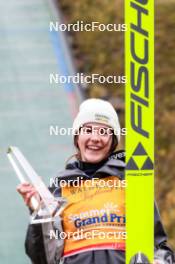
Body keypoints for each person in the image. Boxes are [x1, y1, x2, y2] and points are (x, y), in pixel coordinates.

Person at [17, 99, 174, 264]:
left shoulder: (130, 182)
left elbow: (159, 246)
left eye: (104, 132)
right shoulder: (58, 190)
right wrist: (38, 211)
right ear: (77, 137)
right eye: (88, 130)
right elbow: (41, 258)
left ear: (113, 141)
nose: (95, 138)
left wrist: (160, 262)